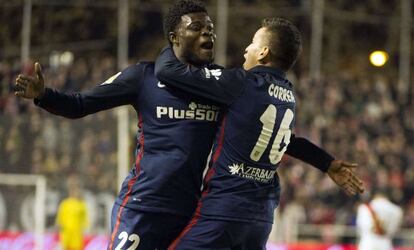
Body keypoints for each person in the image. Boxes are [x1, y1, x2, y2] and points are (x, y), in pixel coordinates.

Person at [15, 1, 362, 249]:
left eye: (210, 29)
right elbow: (80, 106)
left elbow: (275, 135)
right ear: (174, 36)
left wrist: (325, 162)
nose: (208, 35)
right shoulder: (143, 76)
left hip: (192, 211)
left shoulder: (222, 84)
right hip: (143, 207)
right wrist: (45, 95)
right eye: (197, 28)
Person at [155, 17, 364, 249]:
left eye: (253, 43)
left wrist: (175, 41)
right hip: (260, 220)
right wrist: (326, 162)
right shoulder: (288, 95)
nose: (246, 49)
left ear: (263, 52)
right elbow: (289, 142)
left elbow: (167, 71)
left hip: (224, 211)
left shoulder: (240, 83)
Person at [56, 175, 88, 250]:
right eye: (72, 190)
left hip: (77, 235)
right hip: (66, 235)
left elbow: (85, 219)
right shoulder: (64, 204)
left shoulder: (81, 205)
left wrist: (85, 230)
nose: (74, 192)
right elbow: (59, 220)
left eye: (75, 190)